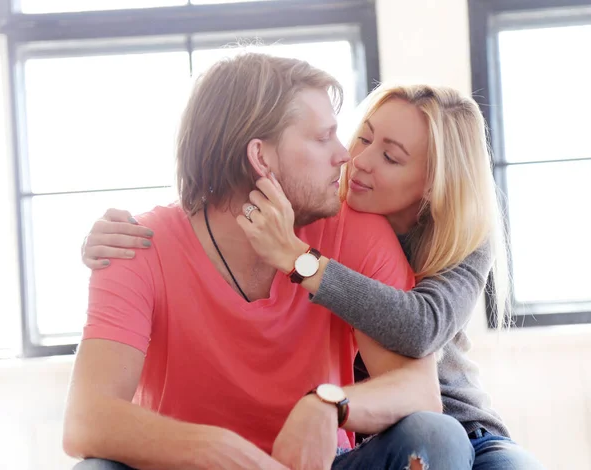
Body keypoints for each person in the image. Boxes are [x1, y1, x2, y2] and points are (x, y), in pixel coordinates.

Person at [83, 82, 547, 469]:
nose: (355, 159)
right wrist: (131, 237)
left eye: (392, 157)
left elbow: (420, 327)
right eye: (362, 138)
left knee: (456, 442)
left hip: (458, 425)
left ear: (434, 181)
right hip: (361, 425)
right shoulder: (338, 209)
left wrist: (297, 258)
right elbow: (222, 201)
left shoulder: (462, 232)